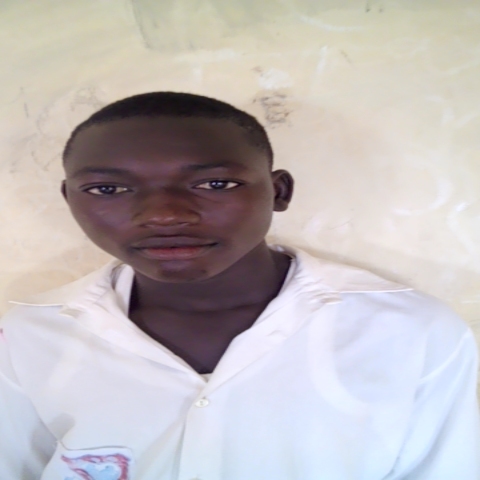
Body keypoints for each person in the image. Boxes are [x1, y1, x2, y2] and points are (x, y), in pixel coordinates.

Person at [0, 92, 478, 480]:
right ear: (70, 200)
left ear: (279, 191)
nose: (164, 214)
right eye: (107, 189)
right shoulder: (29, 334)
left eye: (215, 184)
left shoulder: (408, 331)